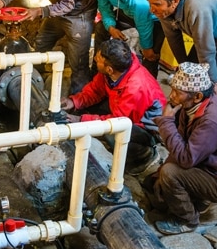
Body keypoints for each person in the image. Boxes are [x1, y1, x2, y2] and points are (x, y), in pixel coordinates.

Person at [147, 62, 217, 235]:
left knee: (170, 173)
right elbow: (181, 142)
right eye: (172, 89)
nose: (171, 96)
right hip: (209, 166)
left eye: (177, 93)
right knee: (156, 184)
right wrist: (158, 176)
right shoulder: (191, 108)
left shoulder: (212, 121)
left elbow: (186, 159)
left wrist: (166, 122)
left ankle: (187, 220)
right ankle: (198, 198)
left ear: (197, 96)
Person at [60, 38, 166, 174]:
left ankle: (143, 158)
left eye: (98, 59)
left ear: (109, 69)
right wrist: (74, 101)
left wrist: (81, 121)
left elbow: (119, 121)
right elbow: (95, 90)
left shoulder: (136, 87)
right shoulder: (115, 70)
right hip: (123, 111)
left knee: (115, 133)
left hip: (145, 127)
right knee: (84, 108)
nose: (95, 60)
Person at [83, 0, 165, 78]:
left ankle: (147, 91)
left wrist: (146, 46)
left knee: (150, 55)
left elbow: (143, 17)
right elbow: (104, 7)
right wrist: (111, 27)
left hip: (153, 16)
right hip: (129, 11)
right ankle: (97, 75)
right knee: (101, 28)